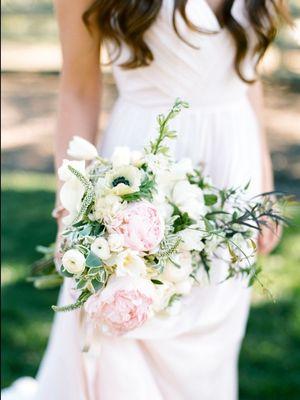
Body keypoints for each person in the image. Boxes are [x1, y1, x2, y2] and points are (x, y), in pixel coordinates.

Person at [3, 0, 290, 399]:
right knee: (123, 326)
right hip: (139, 174)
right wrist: (69, 211)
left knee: (209, 353)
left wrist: (263, 181)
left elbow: (248, 75)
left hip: (233, 170)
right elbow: (79, 87)